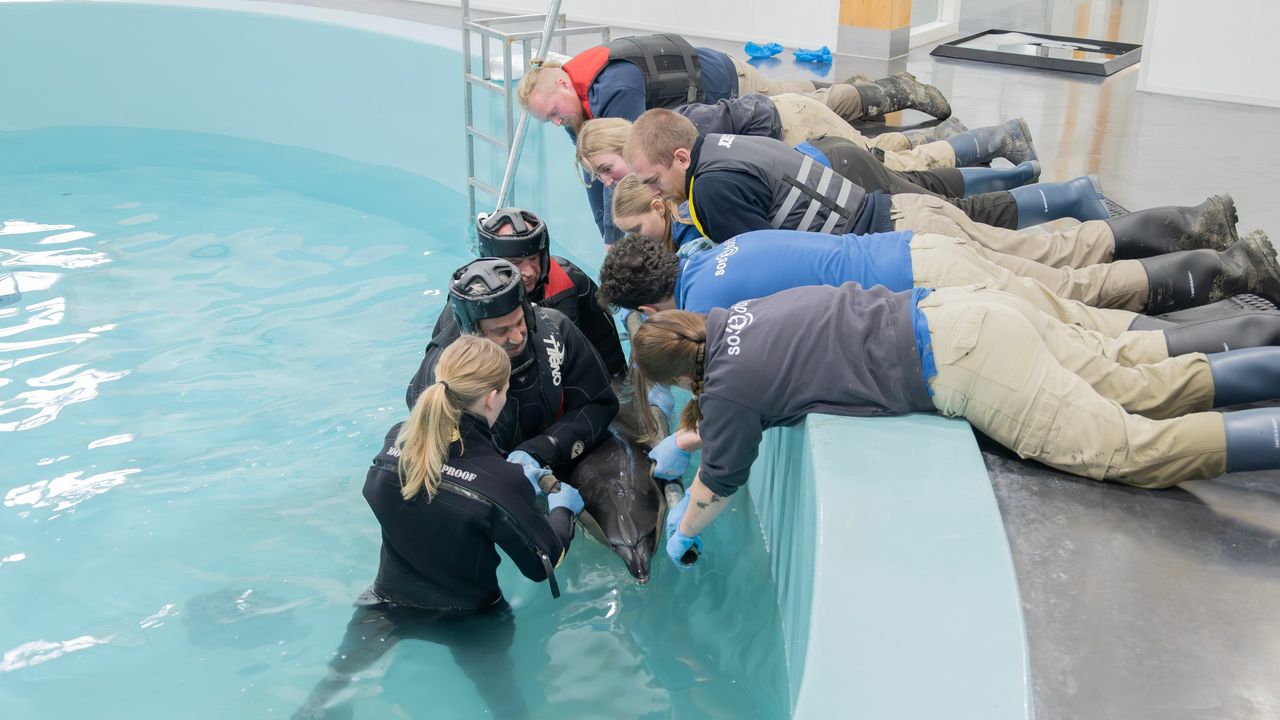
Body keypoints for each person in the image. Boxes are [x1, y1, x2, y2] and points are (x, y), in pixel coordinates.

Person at [632, 284, 1280, 568]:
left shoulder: (730, 384)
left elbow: (722, 479)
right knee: (1137, 382)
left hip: (969, 363)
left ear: (681, 375)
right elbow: (767, 388)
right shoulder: (736, 317)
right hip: (964, 309)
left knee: (1128, 449)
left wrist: (685, 531)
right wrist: (689, 436)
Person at [622, 108, 1249, 309]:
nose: (656, 194)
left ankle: (1223, 266)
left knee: (1058, 284)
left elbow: (772, 273)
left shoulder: (712, 188)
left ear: (679, 157)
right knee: (1053, 252)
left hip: (897, 240)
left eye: (654, 179)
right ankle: (1194, 226)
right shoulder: (730, 146)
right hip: (900, 214)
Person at [295, 335, 584, 719]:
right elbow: (542, 562)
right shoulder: (502, 481)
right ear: (494, 396)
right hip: (473, 617)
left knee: (329, 690)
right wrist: (562, 509)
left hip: (386, 603)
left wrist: (504, 483)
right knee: (508, 708)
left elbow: (431, 490)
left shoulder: (395, 441)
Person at [517, 33, 949, 240]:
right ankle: (896, 108)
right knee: (815, 103)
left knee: (847, 130)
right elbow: (601, 181)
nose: (557, 123)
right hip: (747, 112)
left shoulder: (614, 91)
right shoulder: (585, 114)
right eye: (548, 122)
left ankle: (900, 103)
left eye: (554, 113)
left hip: (737, 88)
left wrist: (617, 243)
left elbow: (625, 182)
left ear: (560, 84)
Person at [598, 225, 1280, 325]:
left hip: (923, 275)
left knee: (1075, 300)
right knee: (1069, 278)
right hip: (917, 244)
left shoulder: (705, 298)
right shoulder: (719, 252)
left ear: (648, 305)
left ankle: (1236, 270)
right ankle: (1233, 263)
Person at [408, 258, 619, 481]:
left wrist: (543, 447)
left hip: (558, 454)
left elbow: (600, 404)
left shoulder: (556, 330)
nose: (517, 337)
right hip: (489, 478)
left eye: (520, 322)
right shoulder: (440, 376)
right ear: (473, 331)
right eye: (501, 331)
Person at [457, 208, 626, 377]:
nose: (529, 272)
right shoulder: (468, 300)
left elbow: (609, 354)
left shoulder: (572, 282)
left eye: (533, 258)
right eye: (516, 262)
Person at [610, 174, 706, 252]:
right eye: (630, 234)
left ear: (658, 208)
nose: (635, 240)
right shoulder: (673, 227)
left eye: (637, 229)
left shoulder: (690, 233)